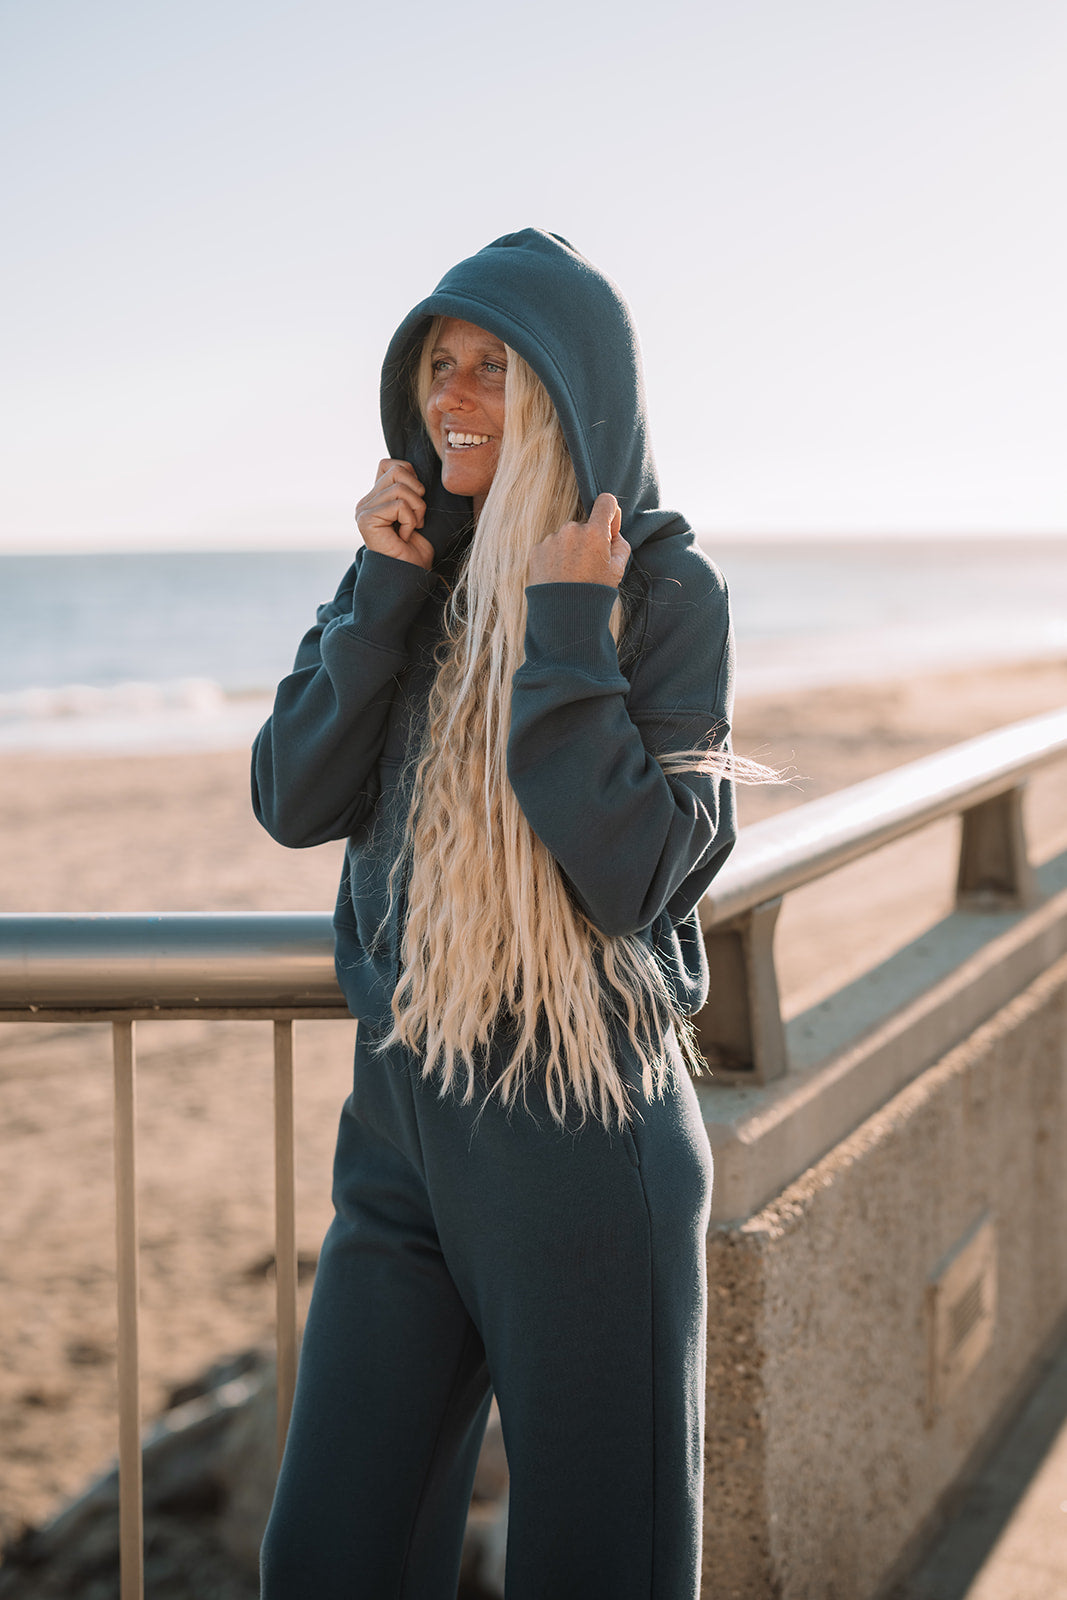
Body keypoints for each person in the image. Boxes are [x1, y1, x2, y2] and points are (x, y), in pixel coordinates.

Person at [252, 229, 740, 1599]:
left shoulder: (658, 588)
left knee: (595, 1570)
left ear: (574, 394)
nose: (451, 399)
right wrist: (382, 597)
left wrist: (567, 632)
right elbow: (294, 795)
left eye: (493, 371)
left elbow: (639, 875)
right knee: (326, 1559)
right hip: (401, 1124)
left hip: (577, 1133)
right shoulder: (404, 574)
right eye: (437, 368)